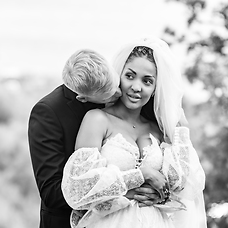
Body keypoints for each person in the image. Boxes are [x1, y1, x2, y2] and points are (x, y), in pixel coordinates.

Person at [61, 37, 207, 228]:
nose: (136, 87)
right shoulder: (97, 119)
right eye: (130, 76)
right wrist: (141, 175)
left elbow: (184, 187)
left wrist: (180, 132)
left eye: (147, 81)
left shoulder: (159, 130)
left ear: (156, 88)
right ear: (119, 76)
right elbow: (78, 190)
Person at [28, 48, 158, 228]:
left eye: (116, 83)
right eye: (110, 94)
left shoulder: (138, 104)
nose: (119, 94)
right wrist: (129, 188)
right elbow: (52, 193)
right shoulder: (48, 113)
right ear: (83, 98)